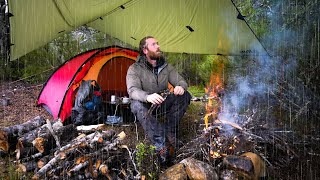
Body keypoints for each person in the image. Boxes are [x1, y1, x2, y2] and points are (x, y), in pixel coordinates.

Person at [126, 36, 191, 164]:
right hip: (145, 107)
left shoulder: (166, 67)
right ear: (145, 50)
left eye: (158, 44)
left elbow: (181, 81)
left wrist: (180, 87)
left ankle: (170, 130)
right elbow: (132, 90)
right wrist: (147, 96)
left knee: (185, 95)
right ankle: (160, 143)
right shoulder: (134, 69)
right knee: (136, 104)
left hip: (161, 103)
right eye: (154, 44)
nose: (158, 46)